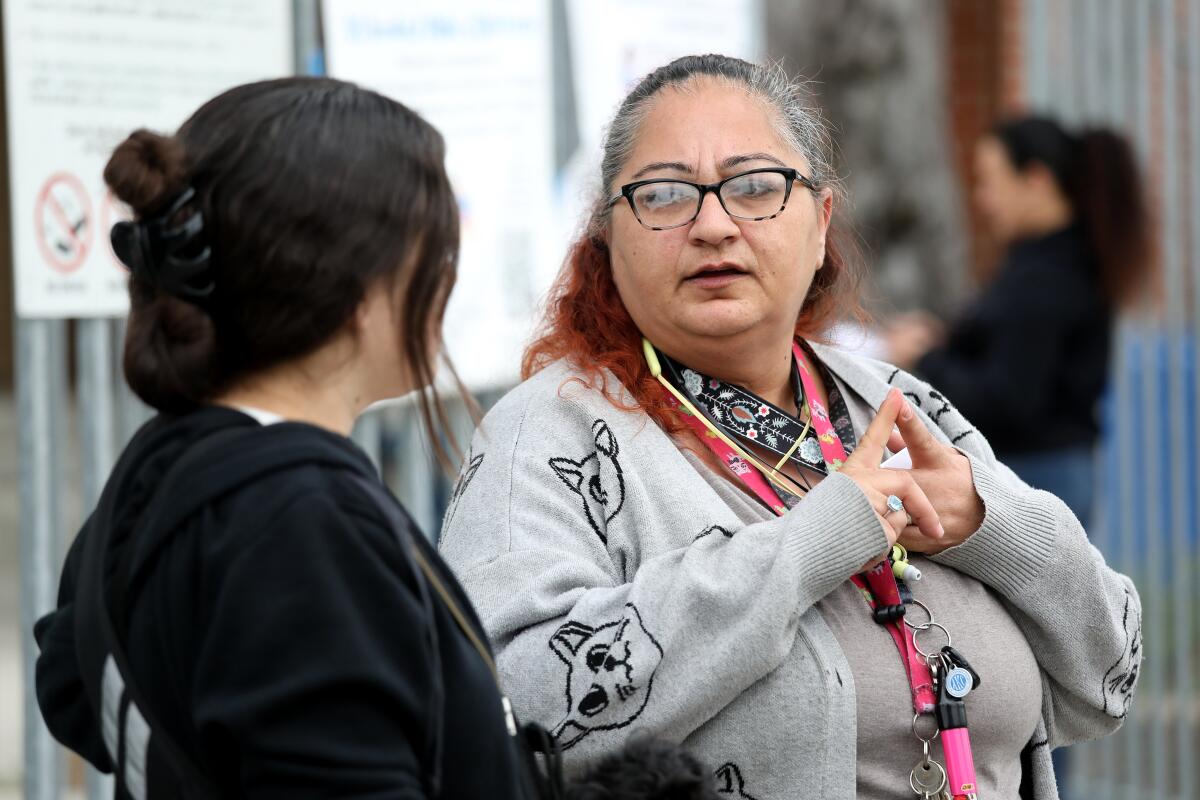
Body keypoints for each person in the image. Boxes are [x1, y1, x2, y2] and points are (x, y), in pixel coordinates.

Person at [439, 55, 1142, 800]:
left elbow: (1109, 680)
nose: (713, 225)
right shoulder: (546, 434)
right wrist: (808, 545)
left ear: (820, 224)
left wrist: (991, 526)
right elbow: (513, 711)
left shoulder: (903, 407)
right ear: (609, 238)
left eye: (754, 188)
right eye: (666, 195)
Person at [34, 77, 540, 798]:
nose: (448, 281)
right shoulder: (300, 523)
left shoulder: (167, 469)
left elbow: (68, 683)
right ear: (361, 284)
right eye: (439, 248)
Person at [888, 116, 1152, 528]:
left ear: (1036, 179)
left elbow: (1008, 399)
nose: (982, 199)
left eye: (990, 180)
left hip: (1038, 476)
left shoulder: (1047, 278)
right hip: (1050, 470)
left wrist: (929, 357)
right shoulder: (1050, 261)